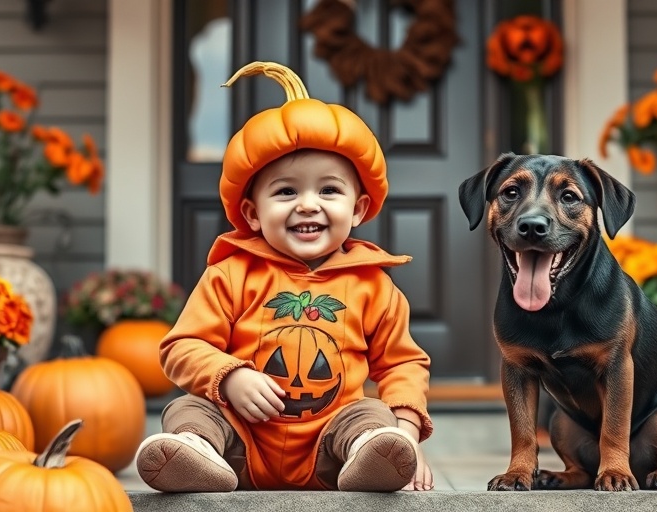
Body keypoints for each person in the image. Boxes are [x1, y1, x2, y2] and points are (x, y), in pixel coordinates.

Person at [135, 62, 434, 493]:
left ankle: (376, 453)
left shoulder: (373, 286)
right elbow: (182, 347)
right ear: (253, 214)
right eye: (286, 191)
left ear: (358, 209)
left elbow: (403, 363)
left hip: (332, 447)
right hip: (240, 442)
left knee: (370, 414)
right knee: (188, 408)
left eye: (329, 190)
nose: (308, 205)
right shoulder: (231, 274)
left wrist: (406, 433)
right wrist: (229, 375)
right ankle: (195, 453)